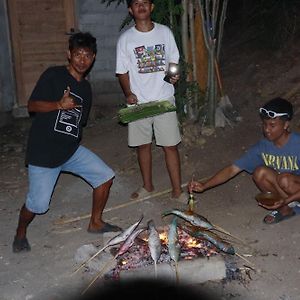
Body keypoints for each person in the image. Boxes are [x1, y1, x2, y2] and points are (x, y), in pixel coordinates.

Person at [13, 32, 122, 253]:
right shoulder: (53, 75)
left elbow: (79, 123)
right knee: (38, 205)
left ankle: (96, 222)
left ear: (94, 58)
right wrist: (58, 105)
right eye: (78, 54)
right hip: (43, 153)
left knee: (105, 177)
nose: (83, 60)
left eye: (88, 55)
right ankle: (20, 232)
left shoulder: (86, 88)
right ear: (69, 55)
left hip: (70, 150)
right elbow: (32, 106)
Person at [189, 97, 300, 224]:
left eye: (272, 125)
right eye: (264, 124)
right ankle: (285, 209)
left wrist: (287, 199)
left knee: (284, 179)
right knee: (260, 173)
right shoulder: (263, 146)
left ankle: (288, 203)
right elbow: (232, 169)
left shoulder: (297, 144)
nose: (267, 129)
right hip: (290, 196)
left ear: (286, 125)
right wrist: (204, 185)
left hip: (294, 188)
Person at [115, 0, 185, 202]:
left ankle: (177, 191)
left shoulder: (165, 32)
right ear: (130, 10)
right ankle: (147, 186)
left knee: (170, 146)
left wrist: (173, 75)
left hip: (164, 99)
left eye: (145, 2)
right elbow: (122, 70)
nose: (141, 6)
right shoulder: (126, 39)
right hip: (139, 103)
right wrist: (128, 93)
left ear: (151, 7)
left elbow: (174, 58)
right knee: (142, 145)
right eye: (136, 3)